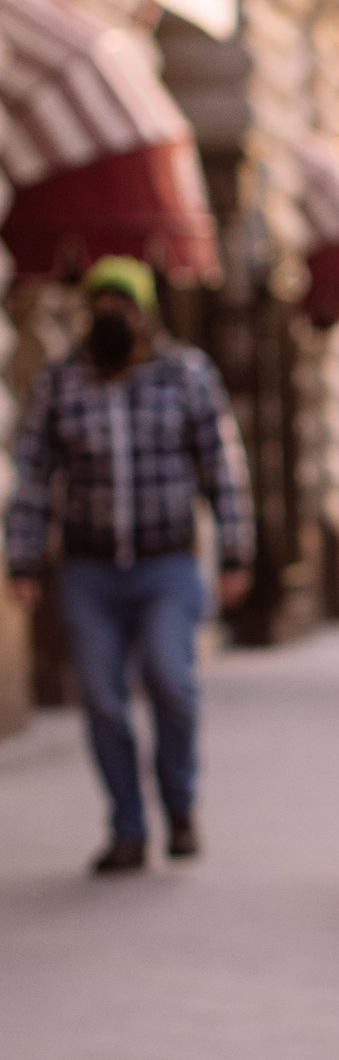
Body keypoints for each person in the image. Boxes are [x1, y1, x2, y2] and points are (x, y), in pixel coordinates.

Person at [4, 254, 253, 874]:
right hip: (88, 569)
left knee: (172, 682)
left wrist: (236, 550)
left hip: (165, 563)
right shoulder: (60, 382)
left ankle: (179, 802)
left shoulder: (186, 374)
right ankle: (127, 827)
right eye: (100, 307)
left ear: (145, 314)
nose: (110, 317)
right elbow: (32, 475)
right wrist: (23, 558)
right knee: (103, 700)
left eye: (123, 306)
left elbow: (222, 467)